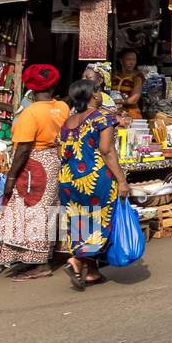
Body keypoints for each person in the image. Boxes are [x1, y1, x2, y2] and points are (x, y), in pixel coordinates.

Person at [57, 78, 130, 289]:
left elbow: (62, 151)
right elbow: (107, 151)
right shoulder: (101, 118)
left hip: (68, 180)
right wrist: (122, 180)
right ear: (93, 95)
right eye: (97, 91)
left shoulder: (68, 122)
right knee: (101, 222)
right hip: (95, 178)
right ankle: (77, 260)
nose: (99, 95)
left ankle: (91, 272)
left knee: (81, 222)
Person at [0, 65, 68, 280]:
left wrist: (11, 178)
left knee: (31, 213)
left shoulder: (30, 113)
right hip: (54, 161)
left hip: (34, 165)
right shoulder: (62, 107)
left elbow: (23, 149)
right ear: (54, 85)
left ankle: (40, 263)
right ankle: (35, 257)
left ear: (30, 87)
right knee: (47, 210)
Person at [111, 49, 144, 119]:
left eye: (134, 60)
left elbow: (134, 100)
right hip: (113, 112)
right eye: (128, 59)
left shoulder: (137, 76)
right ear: (121, 61)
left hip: (131, 113)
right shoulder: (113, 75)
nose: (132, 62)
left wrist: (117, 101)